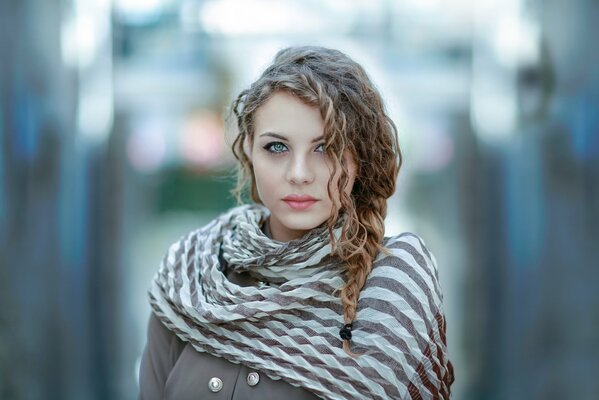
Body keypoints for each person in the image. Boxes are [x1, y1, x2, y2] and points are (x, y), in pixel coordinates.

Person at [138, 45, 454, 400]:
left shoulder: (394, 285)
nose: (299, 174)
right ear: (249, 151)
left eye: (326, 148)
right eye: (276, 147)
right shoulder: (192, 273)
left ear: (359, 158)